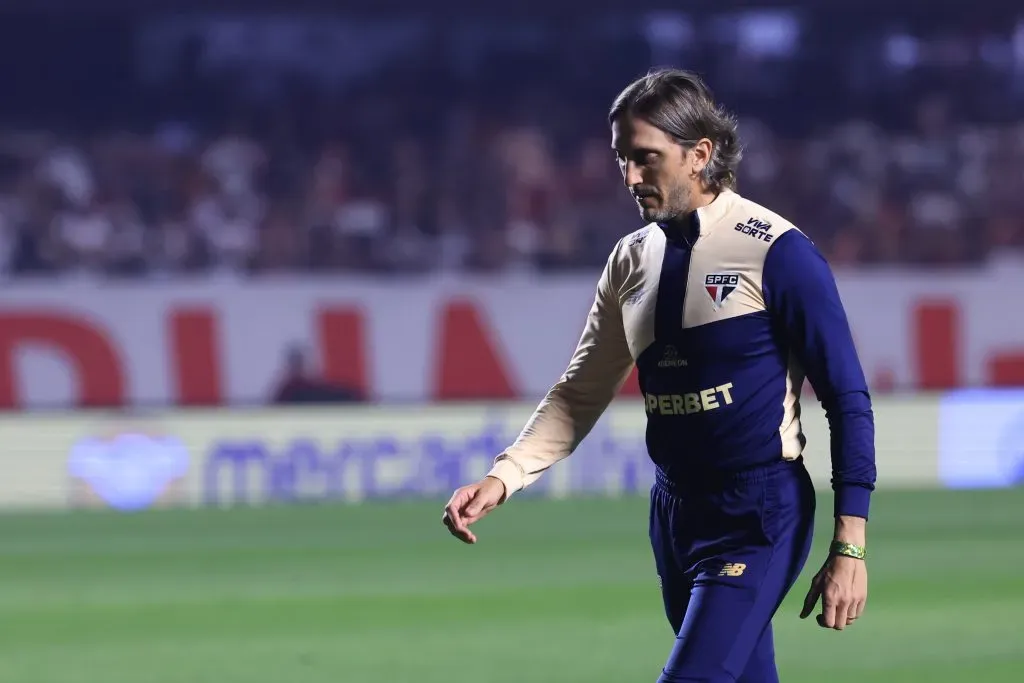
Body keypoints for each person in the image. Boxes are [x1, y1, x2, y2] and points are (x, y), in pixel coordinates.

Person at [441, 68, 876, 683]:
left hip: (758, 512)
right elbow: (580, 392)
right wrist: (504, 476)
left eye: (646, 158)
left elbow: (847, 399)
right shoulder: (629, 259)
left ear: (700, 154)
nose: (630, 176)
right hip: (674, 514)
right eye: (622, 158)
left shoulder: (778, 252)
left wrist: (850, 543)